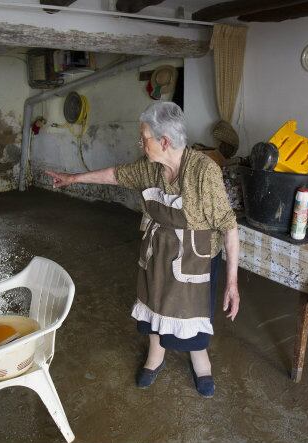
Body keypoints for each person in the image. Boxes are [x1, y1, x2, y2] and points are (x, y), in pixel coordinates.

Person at [46, 102, 239, 398]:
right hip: (158, 253)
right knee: (153, 303)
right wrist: (73, 178)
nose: (140, 143)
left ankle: (201, 361)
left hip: (195, 259)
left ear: (164, 141)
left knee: (195, 312)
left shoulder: (203, 172)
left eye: (143, 137)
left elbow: (229, 226)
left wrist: (233, 283)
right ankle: (155, 354)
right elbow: (115, 175)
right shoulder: (149, 168)